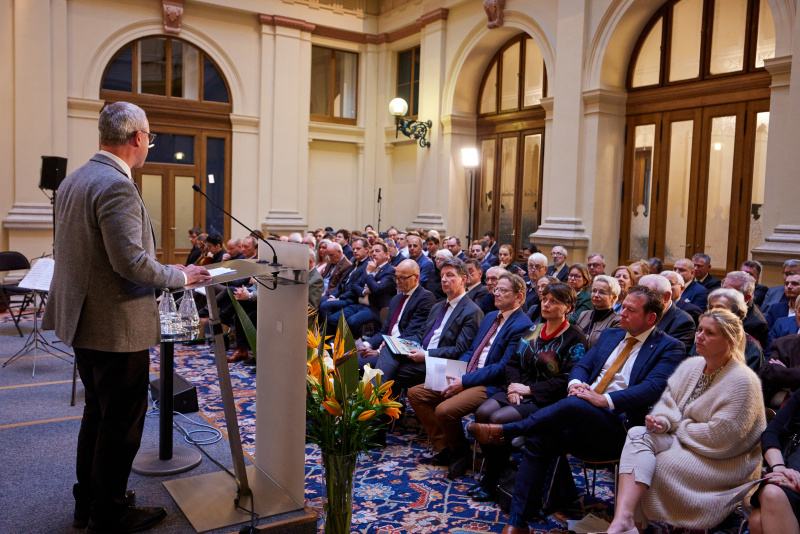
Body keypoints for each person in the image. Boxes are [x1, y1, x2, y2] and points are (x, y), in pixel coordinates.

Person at [42, 102, 211, 532]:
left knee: (98, 412)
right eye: (149, 137)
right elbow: (131, 263)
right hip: (115, 324)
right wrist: (181, 276)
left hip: (83, 318)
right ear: (138, 137)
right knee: (121, 422)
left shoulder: (75, 179)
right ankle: (110, 512)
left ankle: (91, 501)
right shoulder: (115, 185)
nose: (149, 144)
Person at [467, 286, 686, 533]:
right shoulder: (611, 336)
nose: (621, 312)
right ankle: (517, 521)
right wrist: (575, 385)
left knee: (572, 405)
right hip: (579, 415)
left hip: (619, 425)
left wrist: (603, 400)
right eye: (622, 306)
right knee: (540, 436)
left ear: (651, 318)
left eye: (630, 310)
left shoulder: (670, 347)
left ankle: (508, 430)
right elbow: (582, 365)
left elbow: (651, 388)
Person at [601, 309, 765, 534]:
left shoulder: (743, 380)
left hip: (723, 459)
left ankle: (636, 525)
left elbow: (723, 436)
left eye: (710, 333)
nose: (699, 336)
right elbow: (669, 403)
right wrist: (662, 421)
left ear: (729, 342)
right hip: (684, 439)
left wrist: (675, 426)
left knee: (660, 465)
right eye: (699, 330)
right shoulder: (692, 365)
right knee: (637, 434)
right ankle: (625, 520)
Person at [468, 282, 587, 503]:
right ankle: (495, 475)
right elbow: (512, 363)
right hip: (517, 389)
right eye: (544, 299)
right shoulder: (532, 330)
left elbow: (568, 378)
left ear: (568, 307)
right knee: (482, 412)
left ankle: (492, 480)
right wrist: (514, 387)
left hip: (547, 398)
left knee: (497, 420)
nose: (547, 305)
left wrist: (530, 390)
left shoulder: (575, 338)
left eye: (554, 301)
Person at [407, 272, 532, 479]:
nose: (496, 293)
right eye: (495, 289)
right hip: (468, 374)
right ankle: (445, 446)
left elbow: (502, 368)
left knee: (444, 410)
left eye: (503, 290)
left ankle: (461, 452)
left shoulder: (522, 325)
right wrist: (455, 370)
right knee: (416, 394)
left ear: (518, 297)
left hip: (490, 385)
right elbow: (472, 350)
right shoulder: (491, 316)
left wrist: (464, 381)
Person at [374, 258, 482, 397]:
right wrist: (396, 342)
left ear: (463, 279)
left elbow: (460, 350)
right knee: (388, 347)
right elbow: (420, 335)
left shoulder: (472, 311)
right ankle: (379, 408)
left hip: (442, 364)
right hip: (422, 355)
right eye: (442, 275)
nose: (443, 279)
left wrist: (426, 355)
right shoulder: (438, 306)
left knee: (392, 371)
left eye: (449, 275)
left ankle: (374, 406)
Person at [358, 259, 435, 367]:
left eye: (402, 278)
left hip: (400, 353)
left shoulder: (425, 298)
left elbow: (411, 334)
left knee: (353, 365)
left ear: (416, 277)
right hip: (385, 346)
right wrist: (367, 344)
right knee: (347, 358)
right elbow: (385, 331)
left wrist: (380, 351)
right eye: (396, 277)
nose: (397, 281)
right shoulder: (396, 298)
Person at [749, 388, 800, 534]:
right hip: (787, 476)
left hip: (793, 484)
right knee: (757, 518)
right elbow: (771, 432)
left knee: (759, 517)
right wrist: (779, 468)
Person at [692, 288, 764, 372]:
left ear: (736, 314)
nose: (713, 312)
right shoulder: (702, 333)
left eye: (720, 309)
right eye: (711, 308)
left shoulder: (751, 346)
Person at [639, 274, 696, 353]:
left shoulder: (683, 322)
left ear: (666, 297)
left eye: (648, 296)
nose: (641, 301)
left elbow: (671, 356)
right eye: (639, 295)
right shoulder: (637, 313)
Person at [723, 270, 769, 349]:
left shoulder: (757, 324)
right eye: (723, 289)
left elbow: (746, 355)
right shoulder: (717, 306)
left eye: (730, 293)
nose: (722, 295)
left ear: (747, 298)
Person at [575, 275, 621, 348]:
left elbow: (605, 348)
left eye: (602, 292)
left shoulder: (617, 321)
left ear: (613, 297)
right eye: (594, 291)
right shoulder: (584, 314)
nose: (596, 295)